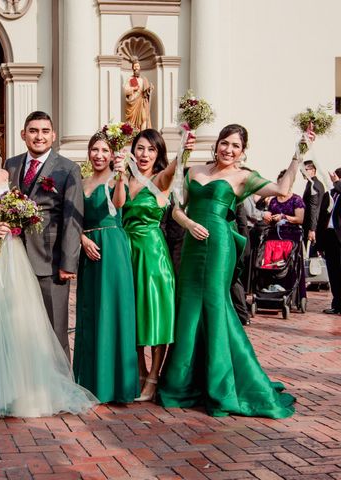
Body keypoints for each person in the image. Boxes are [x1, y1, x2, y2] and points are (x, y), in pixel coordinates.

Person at [0, 119, 97, 420]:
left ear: (0, 142)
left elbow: (62, 215)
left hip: (11, 254)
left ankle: (22, 391)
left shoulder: (4, 173)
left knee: (16, 324)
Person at [158, 123, 298, 418]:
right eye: (225, 143)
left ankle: (222, 382)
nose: (228, 150)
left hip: (219, 244)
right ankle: (182, 381)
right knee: (188, 306)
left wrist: (300, 153)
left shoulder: (244, 177)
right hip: (192, 244)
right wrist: (189, 225)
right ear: (217, 143)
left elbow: (283, 190)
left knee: (214, 304)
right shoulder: (194, 170)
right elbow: (176, 208)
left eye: (235, 146)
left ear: (242, 152)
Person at [122, 128, 194, 402]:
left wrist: (185, 146)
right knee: (134, 316)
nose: (144, 154)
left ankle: (154, 377)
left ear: (158, 154)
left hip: (152, 254)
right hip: (126, 252)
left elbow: (176, 166)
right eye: (140, 148)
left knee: (156, 314)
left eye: (151, 149)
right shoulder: (123, 178)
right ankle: (139, 372)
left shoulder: (161, 180)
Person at [4, 111, 83, 359]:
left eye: (45, 131)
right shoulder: (11, 164)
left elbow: (73, 218)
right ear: (23, 134)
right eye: (34, 131)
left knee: (55, 329)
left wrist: (68, 263)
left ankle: (61, 390)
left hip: (50, 261)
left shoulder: (68, 169)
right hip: (15, 259)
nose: (39, 136)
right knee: (20, 327)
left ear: (53, 135)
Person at [73, 132, 139, 404]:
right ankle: (90, 381)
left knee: (113, 310)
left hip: (112, 245)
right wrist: (82, 239)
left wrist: (121, 176)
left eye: (103, 150)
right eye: (94, 150)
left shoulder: (117, 178)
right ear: (89, 153)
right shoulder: (81, 181)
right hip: (88, 247)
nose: (99, 155)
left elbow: (120, 204)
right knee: (90, 311)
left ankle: (117, 386)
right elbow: (73, 218)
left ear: (111, 154)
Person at [262, 169, 307, 302]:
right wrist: (268, 217)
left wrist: (284, 216)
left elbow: (300, 219)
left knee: (292, 264)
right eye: (281, 182)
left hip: (291, 236)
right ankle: (272, 293)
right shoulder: (273, 200)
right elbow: (268, 215)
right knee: (274, 265)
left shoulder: (296, 199)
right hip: (274, 236)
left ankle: (295, 295)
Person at [316, 168, 341, 314]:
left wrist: (337, 182)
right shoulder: (329, 195)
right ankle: (337, 304)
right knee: (333, 272)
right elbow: (321, 219)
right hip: (330, 236)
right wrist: (319, 244)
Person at [123, 59, 153, 130]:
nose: (136, 68)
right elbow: (126, 90)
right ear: (133, 68)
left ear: (140, 68)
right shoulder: (130, 79)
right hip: (133, 101)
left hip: (142, 101)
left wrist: (150, 89)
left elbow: (147, 91)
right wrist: (133, 89)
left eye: (137, 66)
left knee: (144, 118)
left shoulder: (144, 79)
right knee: (132, 122)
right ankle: (133, 134)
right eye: (135, 66)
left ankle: (142, 134)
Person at [302, 161, 325, 249]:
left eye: (305, 170)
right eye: (302, 170)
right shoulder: (312, 183)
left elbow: (314, 208)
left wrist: (312, 229)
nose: (302, 172)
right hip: (311, 225)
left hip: (312, 227)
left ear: (313, 170)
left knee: (311, 258)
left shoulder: (314, 185)